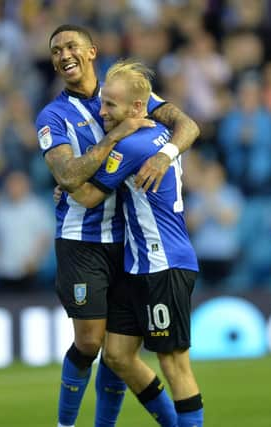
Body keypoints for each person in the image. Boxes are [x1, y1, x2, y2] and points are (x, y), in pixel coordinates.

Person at [35, 24, 199, 427]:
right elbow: (69, 176)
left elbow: (188, 126)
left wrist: (165, 155)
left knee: (122, 354)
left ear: (92, 51)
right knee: (93, 344)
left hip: (128, 244)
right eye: (56, 50)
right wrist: (116, 138)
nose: (63, 54)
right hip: (82, 240)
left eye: (71, 46)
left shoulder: (121, 89)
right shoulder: (53, 116)